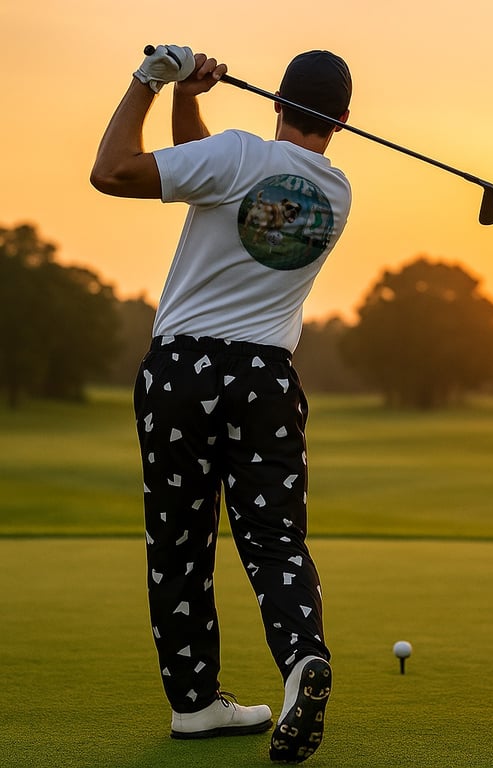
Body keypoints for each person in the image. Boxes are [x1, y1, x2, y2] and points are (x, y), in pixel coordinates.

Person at [90, 44, 352, 764]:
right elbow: (206, 173)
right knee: (275, 541)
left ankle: (195, 703)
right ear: (343, 119)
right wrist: (187, 97)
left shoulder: (237, 156)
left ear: (277, 100)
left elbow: (111, 171)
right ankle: (302, 660)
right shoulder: (336, 191)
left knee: (179, 544)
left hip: (182, 374)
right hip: (266, 380)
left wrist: (149, 80)